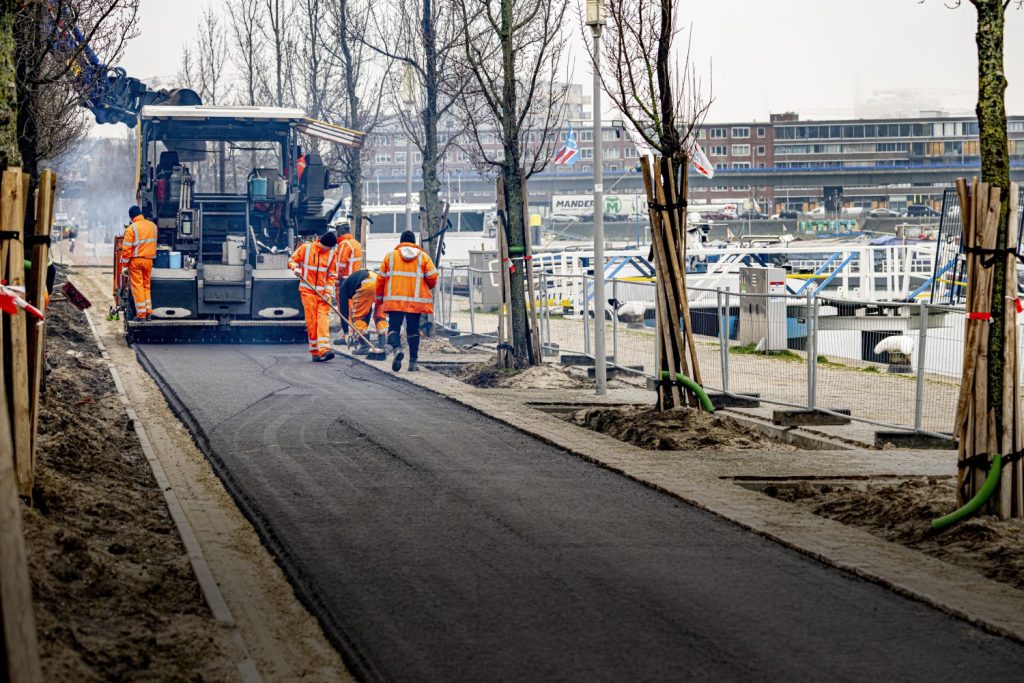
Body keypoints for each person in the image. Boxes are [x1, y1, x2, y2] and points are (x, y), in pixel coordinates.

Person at [376, 230, 438, 372]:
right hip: (415, 302)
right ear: (414, 242)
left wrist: (379, 299)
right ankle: (413, 362)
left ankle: (397, 349)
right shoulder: (423, 257)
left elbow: (380, 280)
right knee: (412, 330)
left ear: (400, 241)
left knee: (393, 328)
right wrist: (427, 285)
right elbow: (433, 277)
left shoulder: (390, 256)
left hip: (394, 301)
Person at [289, 231, 339, 362]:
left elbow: (332, 275)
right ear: (326, 244)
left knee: (323, 320)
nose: (331, 249)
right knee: (312, 322)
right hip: (308, 291)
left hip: (323, 295)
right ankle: (315, 352)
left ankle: (324, 350)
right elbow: (291, 260)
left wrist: (327, 292)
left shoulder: (332, 254)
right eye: (331, 247)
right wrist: (295, 268)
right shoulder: (306, 248)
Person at [120, 206, 158, 319]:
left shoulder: (131, 229)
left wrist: (124, 265)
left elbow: (127, 250)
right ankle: (149, 312)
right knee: (147, 286)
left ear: (131, 217)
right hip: (149, 260)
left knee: (138, 287)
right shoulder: (153, 226)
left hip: (136, 262)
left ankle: (141, 314)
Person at [338, 269, 387, 353]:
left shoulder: (343, 288)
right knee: (380, 316)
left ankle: (365, 346)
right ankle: (383, 345)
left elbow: (343, 312)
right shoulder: (354, 279)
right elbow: (368, 310)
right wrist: (364, 329)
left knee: (358, 317)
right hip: (380, 283)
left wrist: (346, 333)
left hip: (367, 284)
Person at [334, 219, 363, 339]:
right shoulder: (355, 243)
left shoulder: (344, 244)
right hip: (355, 280)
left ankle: (348, 335)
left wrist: (336, 280)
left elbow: (340, 266)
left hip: (345, 281)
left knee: (345, 309)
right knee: (354, 308)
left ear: (339, 230)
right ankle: (354, 334)